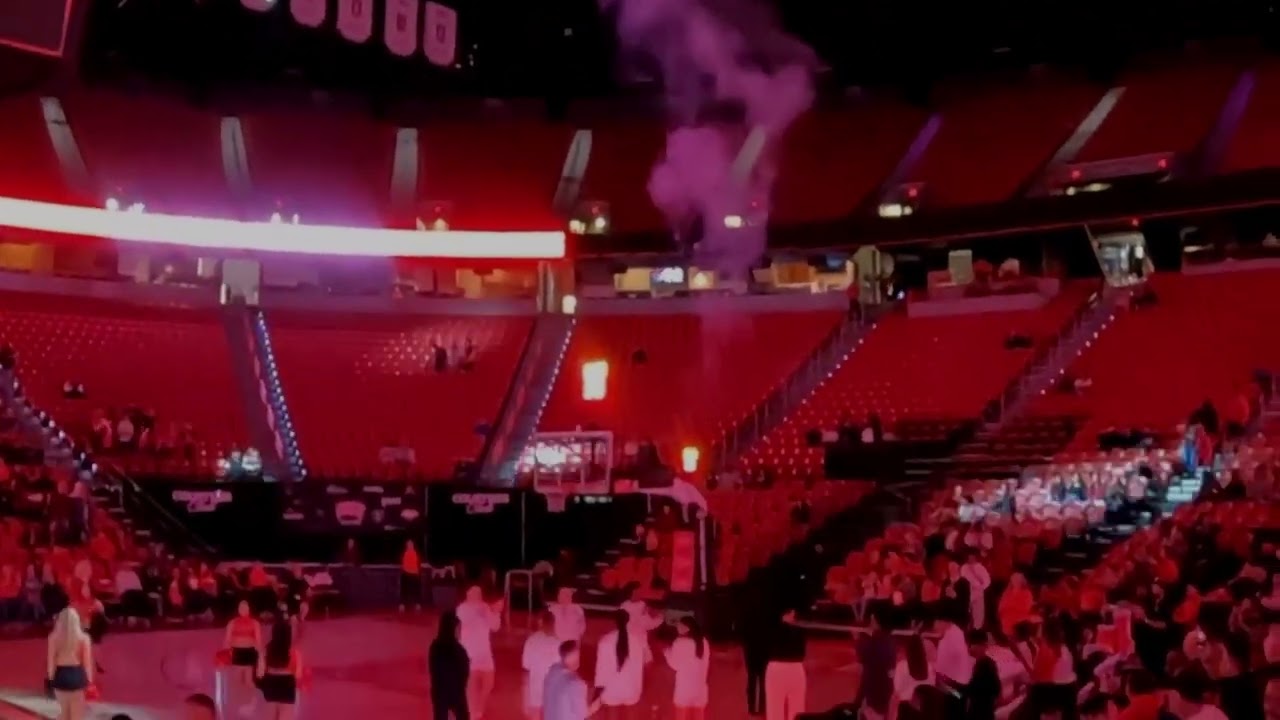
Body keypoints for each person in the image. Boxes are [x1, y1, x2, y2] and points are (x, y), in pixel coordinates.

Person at [456, 585, 503, 720]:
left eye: (479, 592)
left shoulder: (485, 607)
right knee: (471, 685)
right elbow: (466, 619)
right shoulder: (462, 608)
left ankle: (479, 707)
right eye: (474, 592)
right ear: (467, 594)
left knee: (489, 683)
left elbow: (495, 627)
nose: (477, 595)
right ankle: (471, 712)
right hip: (469, 653)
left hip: (485, 653)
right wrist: (485, 610)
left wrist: (495, 612)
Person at [595, 610, 647, 719]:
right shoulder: (638, 640)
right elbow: (642, 666)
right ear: (628, 621)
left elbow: (601, 670)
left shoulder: (605, 641)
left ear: (614, 622)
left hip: (611, 689)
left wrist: (597, 693)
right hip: (632, 688)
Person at [47, 607, 94, 720]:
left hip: (60, 675)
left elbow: (51, 661)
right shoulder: (84, 638)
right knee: (77, 716)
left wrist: (51, 679)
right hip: (77, 675)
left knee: (63, 715)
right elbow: (87, 663)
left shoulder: (53, 638)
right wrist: (89, 681)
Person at [664, 616, 710, 720]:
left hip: (684, 689)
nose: (677, 627)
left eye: (680, 625)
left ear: (688, 628)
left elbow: (674, 664)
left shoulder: (680, 642)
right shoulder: (703, 642)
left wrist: (667, 652)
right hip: (700, 688)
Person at [764, 610, 806, 720]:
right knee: (795, 712)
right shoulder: (801, 608)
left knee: (775, 713)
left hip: (779, 665)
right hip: (793, 665)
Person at [854, 610, 896, 720]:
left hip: (874, 690)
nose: (871, 623)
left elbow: (864, 658)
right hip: (883, 690)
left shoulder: (876, 641)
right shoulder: (890, 641)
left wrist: (858, 640)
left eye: (873, 620)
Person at [256, 621, 303, 720]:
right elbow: (298, 674)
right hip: (288, 686)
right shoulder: (294, 652)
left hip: (271, 684)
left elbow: (260, 673)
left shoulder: (266, 650)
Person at [429, 610, 471, 720]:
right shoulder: (459, 650)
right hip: (456, 692)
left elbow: (433, 671)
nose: (460, 632)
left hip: (439, 692)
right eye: (458, 629)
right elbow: (465, 672)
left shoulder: (435, 647)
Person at [545, 641, 601, 720]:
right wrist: (595, 706)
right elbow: (583, 714)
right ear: (574, 655)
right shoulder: (577, 684)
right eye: (579, 654)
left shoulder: (552, 672)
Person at [522, 610, 561, 720]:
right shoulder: (558, 643)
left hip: (535, 687)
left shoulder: (531, 641)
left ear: (540, 623)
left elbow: (526, 669)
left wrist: (525, 696)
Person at [891, 634, 935, 720]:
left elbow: (897, 690)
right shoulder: (929, 667)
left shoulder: (901, 666)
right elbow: (931, 687)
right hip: (924, 708)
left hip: (906, 707)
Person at [225, 601, 263, 694]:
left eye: (245, 608)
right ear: (238, 610)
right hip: (237, 652)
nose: (243, 610)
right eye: (241, 608)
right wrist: (226, 655)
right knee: (237, 679)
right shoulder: (232, 623)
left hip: (249, 652)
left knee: (248, 680)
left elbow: (258, 641)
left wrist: (261, 657)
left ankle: (253, 697)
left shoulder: (255, 623)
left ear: (249, 609)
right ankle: (239, 698)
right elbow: (227, 640)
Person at [966, 630, 1001, 720]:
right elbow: (997, 689)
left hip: (978, 710)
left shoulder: (984, 664)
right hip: (984, 709)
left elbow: (967, 691)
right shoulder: (989, 663)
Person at [400, 541, 422, 613]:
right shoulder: (404, 554)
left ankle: (417, 604)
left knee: (416, 590)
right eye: (408, 544)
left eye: (411, 544)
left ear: (413, 545)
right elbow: (403, 564)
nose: (410, 545)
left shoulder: (416, 553)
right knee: (404, 590)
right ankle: (402, 605)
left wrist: (417, 573)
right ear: (406, 546)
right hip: (406, 574)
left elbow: (418, 564)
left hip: (414, 574)